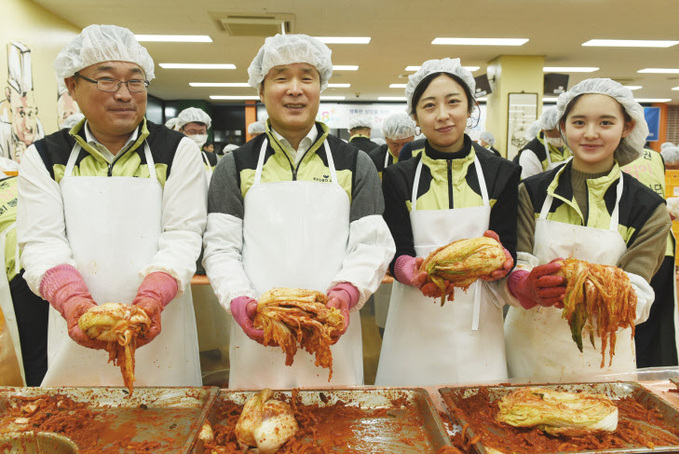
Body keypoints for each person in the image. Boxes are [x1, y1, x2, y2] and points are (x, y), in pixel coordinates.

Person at [17, 24, 207, 387]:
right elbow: (41, 242)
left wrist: (153, 296)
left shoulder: (176, 151)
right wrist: (72, 301)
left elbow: (183, 234)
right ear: (72, 85)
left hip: (161, 330)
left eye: (135, 82)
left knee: (170, 425)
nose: (124, 95)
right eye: (107, 80)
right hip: (76, 331)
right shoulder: (44, 157)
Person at [203, 33, 395, 389]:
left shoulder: (355, 163)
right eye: (280, 77)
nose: (294, 89)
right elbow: (220, 248)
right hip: (259, 335)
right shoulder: (234, 166)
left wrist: (347, 294)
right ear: (261, 91)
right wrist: (239, 299)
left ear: (321, 87)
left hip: (334, 332)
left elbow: (371, 245)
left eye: (306, 77)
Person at [503, 78, 671, 382]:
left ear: (627, 127)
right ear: (563, 127)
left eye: (606, 123)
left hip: (604, 363)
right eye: (579, 122)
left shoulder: (647, 209)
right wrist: (525, 284)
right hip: (527, 357)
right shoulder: (531, 193)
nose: (591, 133)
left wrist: (585, 288)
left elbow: (638, 296)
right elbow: (518, 265)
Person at [374, 58, 519, 386]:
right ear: (415, 117)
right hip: (414, 326)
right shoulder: (398, 177)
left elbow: (509, 246)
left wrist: (503, 262)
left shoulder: (501, 174)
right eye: (429, 105)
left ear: (471, 107)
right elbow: (395, 250)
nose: (443, 115)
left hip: (478, 328)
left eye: (453, 102)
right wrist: (407, 269)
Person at [621, 149, 679, 367]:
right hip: (662, 247)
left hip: (633, 248)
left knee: (630, 319)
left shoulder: (608, 156)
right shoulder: (655, 156)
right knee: (655, 322)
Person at [0, 174, 49, 386]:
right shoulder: (20, 176)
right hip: (58, 253)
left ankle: (43, 414)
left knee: (36, 360)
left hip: (21, 261)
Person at [514, 106, 572, 179]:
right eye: (555, 136)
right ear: (544, 130)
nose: (560, 139)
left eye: (562, 135)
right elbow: (531, 185)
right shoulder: (531, 154)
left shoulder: (570, 145)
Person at [368, 112, 416, 177]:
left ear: (413, 138)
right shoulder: (375, 159)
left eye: (405, 144)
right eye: (395, 144)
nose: (400, 150)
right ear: (386, 139)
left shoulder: (421, 156)